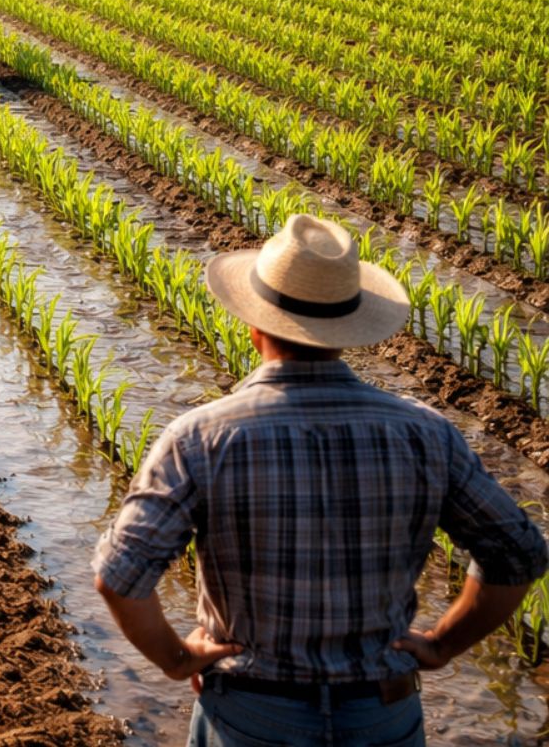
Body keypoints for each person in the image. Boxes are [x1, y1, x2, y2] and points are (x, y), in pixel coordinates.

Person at [93, 213, 548, 747]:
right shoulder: (425, 433)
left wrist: (176, 657)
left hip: (251, 713)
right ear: (350, 328)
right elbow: (517, 553)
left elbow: (120, 576)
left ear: (254, 324)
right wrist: (444, 643)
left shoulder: (201, 437)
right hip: (383, 711)